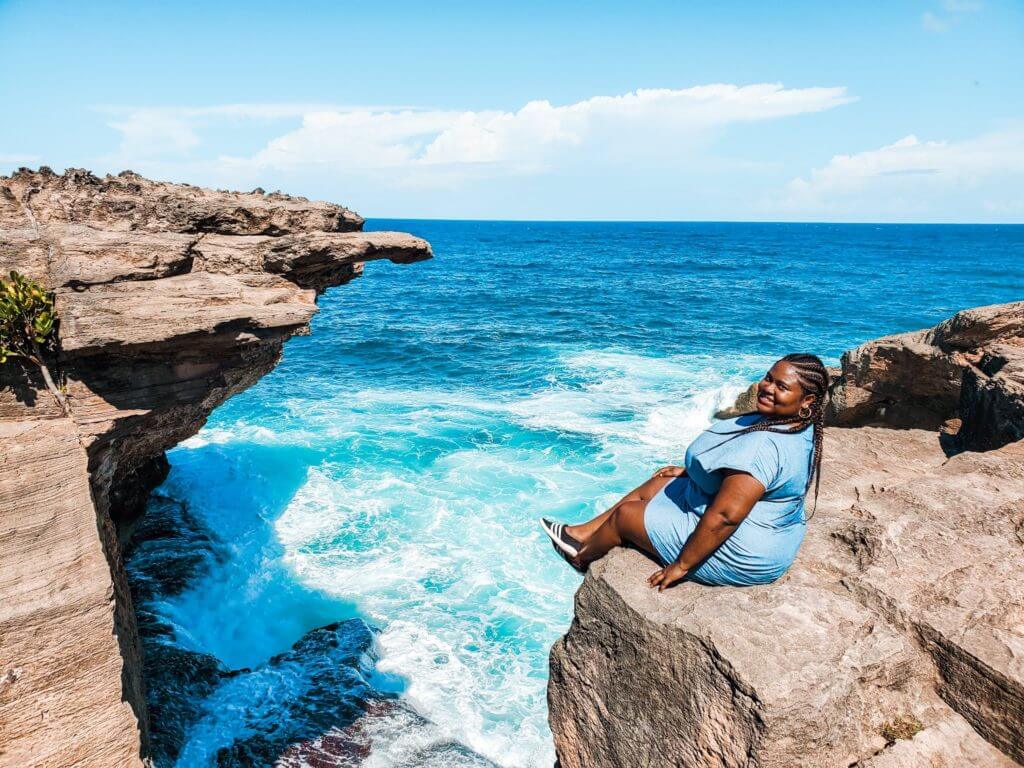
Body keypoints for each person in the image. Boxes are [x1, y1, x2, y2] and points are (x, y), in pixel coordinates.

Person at [541, 354, 828, 591]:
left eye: (782, 386)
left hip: (746, 552)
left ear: (808, 402)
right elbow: (764, 482)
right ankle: (581, 533)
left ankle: (581, 559)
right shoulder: (799, 426)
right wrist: (694, 473)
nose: (768, 387)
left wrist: (682, 566)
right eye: (768, 378)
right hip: (770, 531)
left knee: (626, 516)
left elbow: (726, 517)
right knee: (662, 480)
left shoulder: (762, 448)